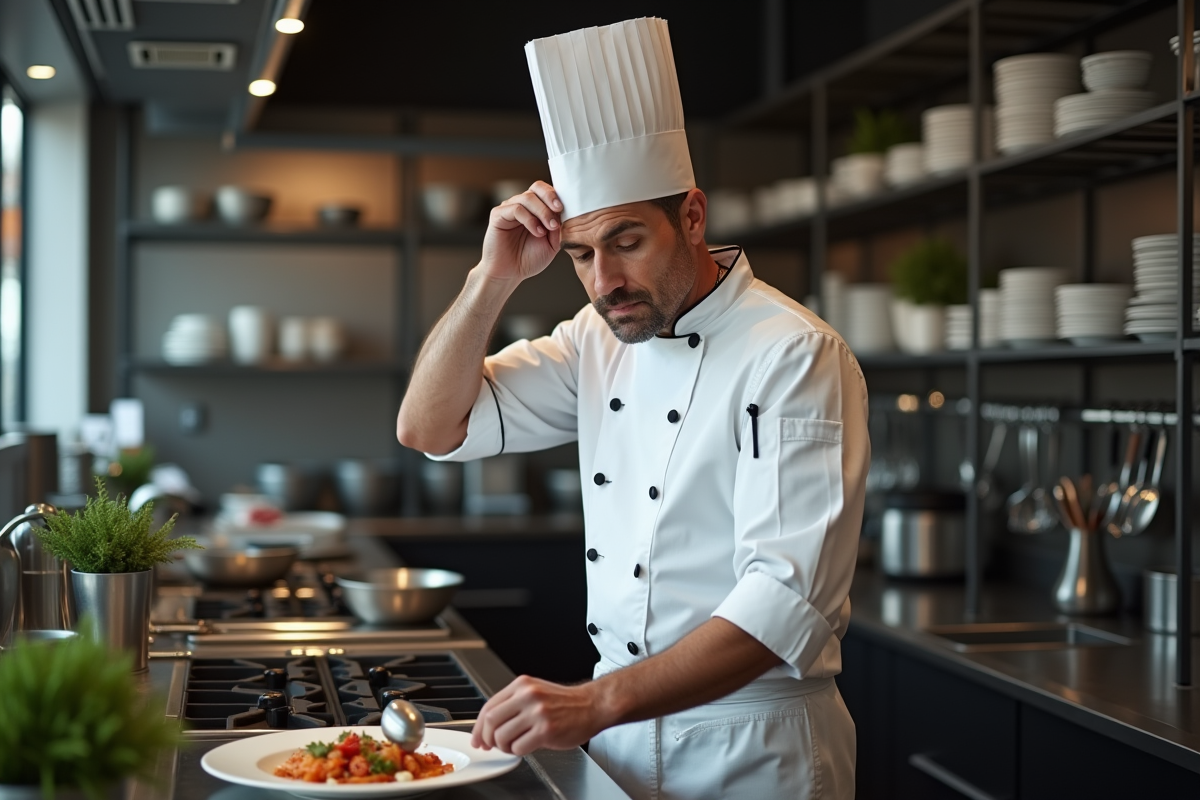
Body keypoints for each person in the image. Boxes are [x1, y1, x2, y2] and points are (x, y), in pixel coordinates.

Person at [396, 17, 869, 800]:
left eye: (626, 241)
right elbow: (429, 426)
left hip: (752, 752)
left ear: (691, 216)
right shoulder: (596, 340)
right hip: (614, 743)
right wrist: (493, 279)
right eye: (582, 254)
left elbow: (784, 604)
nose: (604, 279)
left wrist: (592, 701)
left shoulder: (794, 353)